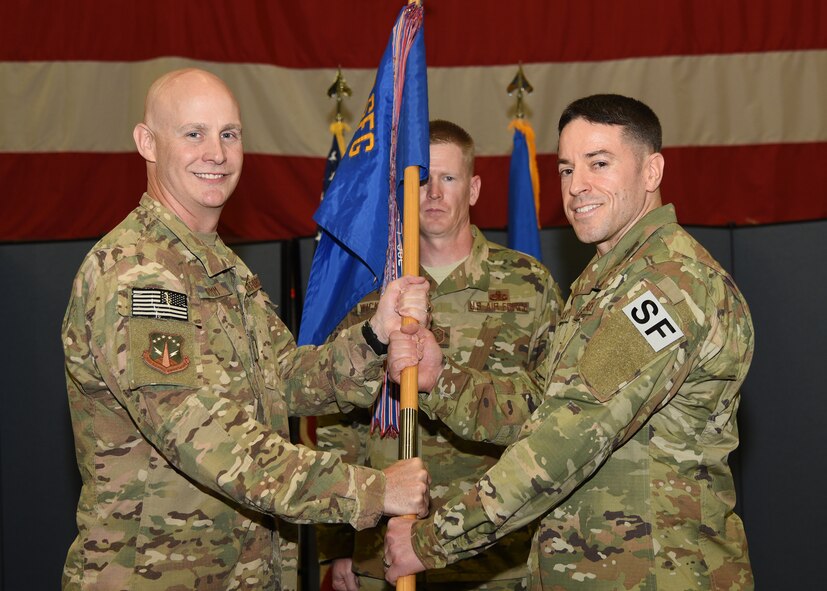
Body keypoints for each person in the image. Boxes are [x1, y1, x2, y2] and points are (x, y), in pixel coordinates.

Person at [61, 68, 432, 591]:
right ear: (147, 143)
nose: (216, 153)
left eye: (229, 134)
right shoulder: (137, 274)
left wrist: (373, 336)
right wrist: (369, 490)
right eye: (194, 133)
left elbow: (284, 378)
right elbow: (205, 437)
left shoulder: (221, 269)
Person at [384, 94, 755, 590]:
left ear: (652, 171)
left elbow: (567, 438)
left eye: (599, 164)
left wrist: (432, 541)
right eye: (565, 169)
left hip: (655, 574)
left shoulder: (668, 285)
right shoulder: (602, 281)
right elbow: (541, 407)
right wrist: (441, 380)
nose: (577, 185)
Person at [315, 119, 562, 591]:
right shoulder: (374, 296)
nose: (432, 193)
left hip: (495, 555)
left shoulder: (529, 287)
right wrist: (338, 545)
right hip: (383, 552)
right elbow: (339, 424)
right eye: (420, 179)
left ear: (473, 189)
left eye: (447, 179)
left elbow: (553, 412)